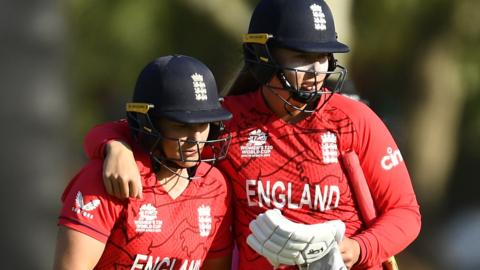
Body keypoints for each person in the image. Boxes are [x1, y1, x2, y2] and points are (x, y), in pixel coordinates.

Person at [82, 0, 421, 269]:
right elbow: (144, 127)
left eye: (322, 57)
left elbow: (405, 213)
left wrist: (356, 250)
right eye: (302, 56)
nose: (317, 71)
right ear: (263, 58)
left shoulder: (354, 120)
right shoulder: (226, 119)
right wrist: (115, 146)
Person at [53, 55, 234, 270]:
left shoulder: (215, 187)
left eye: (203, 124)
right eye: (182, 125)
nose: (196, 140)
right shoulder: (105, 179)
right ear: (149, 124)